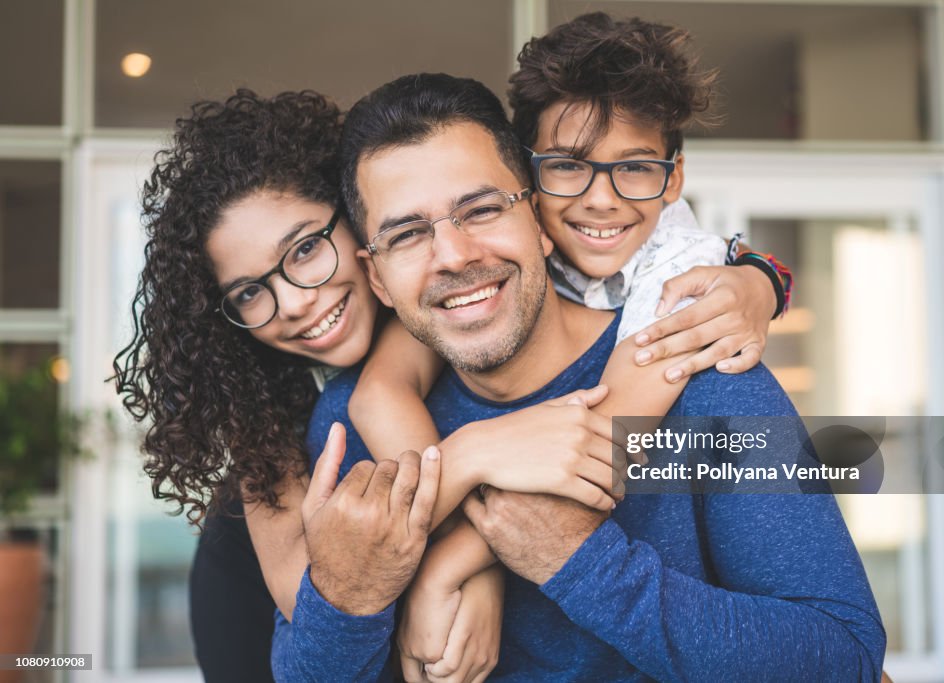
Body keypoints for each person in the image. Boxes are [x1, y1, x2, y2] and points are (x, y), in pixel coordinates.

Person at [112, 88, 781, 681]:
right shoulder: (283, 428)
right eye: (251, 291)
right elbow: (318, 600)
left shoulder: (444, 318)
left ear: (354, 225)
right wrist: (474, 469)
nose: (294, 300)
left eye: (306, 249)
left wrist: (759, 278)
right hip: (248, 610)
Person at [272, 72, 886, 682]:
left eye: (482, 209)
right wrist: (353, 590)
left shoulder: (705, 371)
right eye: (406, 235)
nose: (454, 256)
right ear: (377, 277)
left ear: (538, 220)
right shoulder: (347, 428)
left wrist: (582, 561)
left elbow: (845, 657)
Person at [348, 13, 793, 670]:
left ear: (673, 179)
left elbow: (602, 443)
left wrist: (450, 567)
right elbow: (379, 390)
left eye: (636, 168)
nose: (601, 200)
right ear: (529, 178)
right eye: (566, 167)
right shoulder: (492, 254)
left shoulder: (677, 270)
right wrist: (472, 455)